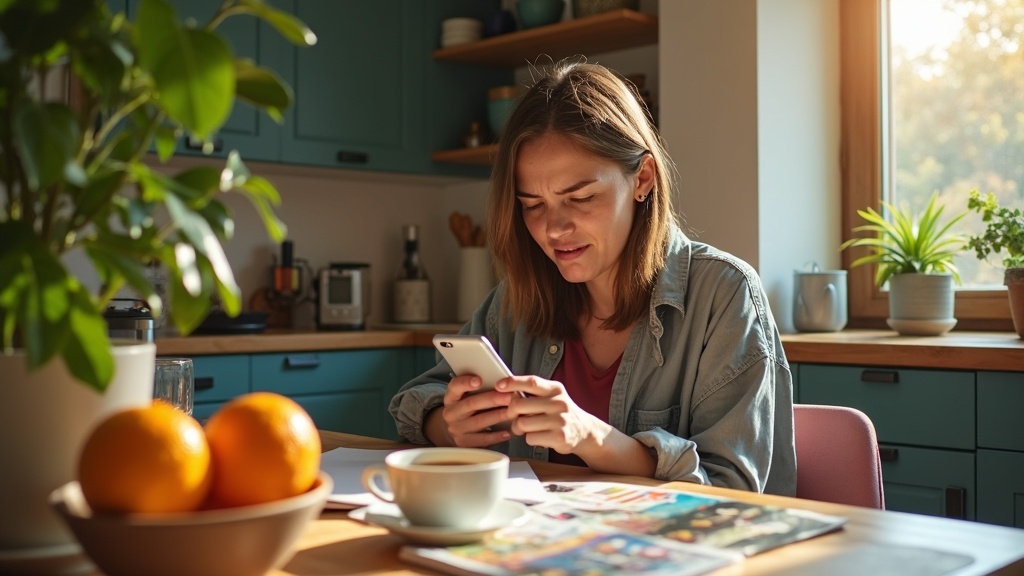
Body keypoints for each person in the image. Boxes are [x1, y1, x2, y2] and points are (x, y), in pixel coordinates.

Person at [389, 60, 796, 495]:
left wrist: (589, 436)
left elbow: (730, 487)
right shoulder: (520, 297)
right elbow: (415, 402)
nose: (553, 229)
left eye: (580, 198)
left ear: (642, 179)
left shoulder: (724, 295)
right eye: (532, 205)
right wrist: (450, 428)